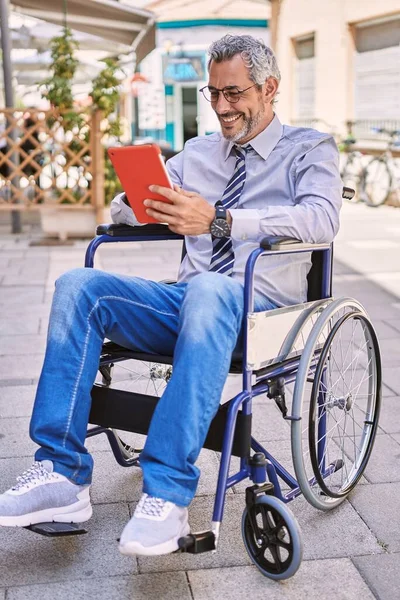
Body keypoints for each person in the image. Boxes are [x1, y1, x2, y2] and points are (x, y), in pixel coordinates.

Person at [0, 35, 342, 557]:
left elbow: (322, 217)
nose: (223, 107)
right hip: (191, 304)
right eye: (214, 94)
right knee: (79, 287)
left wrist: (223, 220)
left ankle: (166, 494)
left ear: (269, 88)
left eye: (235, 93)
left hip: (266, 313)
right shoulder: (200, 152)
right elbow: (127, 208)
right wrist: (139, 203)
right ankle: (61, 473)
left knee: (209, 286)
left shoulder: (309, 149)